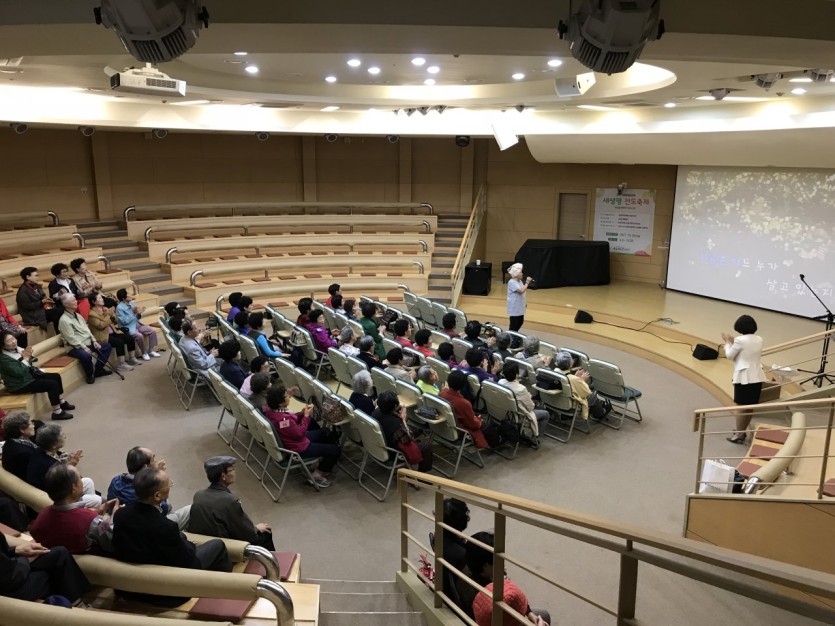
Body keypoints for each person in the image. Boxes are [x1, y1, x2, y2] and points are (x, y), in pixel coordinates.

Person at [112, 467, 232, 604]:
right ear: (157, 495)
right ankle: (226, 590)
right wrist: (188, 545)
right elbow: (190, 562)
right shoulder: (165, 527)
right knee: (218, 545)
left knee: (183, 537)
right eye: (168, 485)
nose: (170, 486)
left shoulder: (120, 515)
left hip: (128, 587)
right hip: (165, 592)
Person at [188, 456, 274, 550]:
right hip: (225, 546)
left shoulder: (198, 495)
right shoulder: (230, 501)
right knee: (265, 533)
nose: (234, 472)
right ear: (223, 476)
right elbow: (246, 532)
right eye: (231, 470)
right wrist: (256, 529)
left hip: (202, 543)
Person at [465, 531, 551, 626]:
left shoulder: (472, 577)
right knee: (544, 615)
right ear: (486, 566)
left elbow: (517, 602)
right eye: (499, 559)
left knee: (543, 614)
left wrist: (530, 614)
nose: (503, 562)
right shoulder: (492, 594)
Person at [262, 385, 340, 488]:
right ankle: (317, 475)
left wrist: (302, 413)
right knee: (334, 450)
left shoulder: (270, 410)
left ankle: (326, 459)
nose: (289, 397)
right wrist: (306, 416)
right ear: (280, 403)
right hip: (298, 448)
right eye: (286, 396)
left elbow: (290, 421)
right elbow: (299, 434)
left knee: (325, 432)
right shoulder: (283, 420)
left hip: (291, 441)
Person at [30, 463, 117, 554]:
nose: (82, 481)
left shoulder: (40, 518)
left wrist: (98, 513)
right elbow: (112, 540)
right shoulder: (92, 520)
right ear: (73, 488)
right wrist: (112, 516)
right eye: (80, 478)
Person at [107, 446, 191, 530]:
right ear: (145, 467)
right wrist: (159, 477)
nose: (156, 462)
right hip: (151, 527)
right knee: (191, 509)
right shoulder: (145, 488)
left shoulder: (115, 480)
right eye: (153, 459)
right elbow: (164, 508)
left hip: (123, 524)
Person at [0, 531, 91, 604]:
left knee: (60, 553)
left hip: (11, 568)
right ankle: (74, 608)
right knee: (55, 571)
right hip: (10, 589)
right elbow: (14, 578)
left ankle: (76, 600)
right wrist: (25, 559)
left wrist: (16, 550)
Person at [0, 331, 75, 419]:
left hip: (28, 377)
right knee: (51, 384)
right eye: (9, 341)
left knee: (56, 376)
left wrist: (28, 357)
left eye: (13, 338)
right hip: (19, 384)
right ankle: (57, 412)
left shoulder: (18, 349)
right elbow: (19, 372)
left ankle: (62, 402)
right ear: (3, 345)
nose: (13, 342)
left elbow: (31, 360)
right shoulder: (3, 359)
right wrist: (26, 359)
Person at [25, 423, 101, 508]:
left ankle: (87, 509)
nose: (64, 437)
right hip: (57, 498)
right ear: (53, 445)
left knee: (88, 481)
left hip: (58, 488)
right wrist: (71, 465)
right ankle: (84, 511)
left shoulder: (42, 450)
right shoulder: (48, 465)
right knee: (96, 500)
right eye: (62, 435)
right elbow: (64, 482)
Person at [723, 314, 765, 444]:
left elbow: (730, 356)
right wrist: (733, 342)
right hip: (757, 375)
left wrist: (727, 343)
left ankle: (739, 434)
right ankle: (741, 430)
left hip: (744, 376)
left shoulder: (739, 340)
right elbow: (746, 349)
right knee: (750, 406)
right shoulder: (759, 339)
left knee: (741, 406)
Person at [57, 293, 112, 385]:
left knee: (106, 346)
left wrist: (94, 340)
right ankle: (90, 375)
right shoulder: (64, 320)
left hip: (87, 342)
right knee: (86, 355)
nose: (76, 302)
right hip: (74, 347)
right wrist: (83, 347)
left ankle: (98, 370)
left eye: (75, 299)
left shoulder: (78, 316)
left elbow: (87, 330)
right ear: (66, 304)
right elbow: (71, 338)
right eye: (73, 300)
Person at [371, 390, 433, 472]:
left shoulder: (375, 413)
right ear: (395, 405)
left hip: (380, 445)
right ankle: (421, 475)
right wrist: (403, 419)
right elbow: (409, 438)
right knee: (427, 447)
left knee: (418, 433)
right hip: (393, 451)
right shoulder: (396, 424)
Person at [87, 292, 141, 371]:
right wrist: (109, 315)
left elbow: (115, 322)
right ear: (94, 301)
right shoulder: (91, 314)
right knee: (119, 342)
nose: (102, 299)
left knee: (129, 338)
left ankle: (132, 358)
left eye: (101, 297)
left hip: (113, 332)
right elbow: (100, 325)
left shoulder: (105, 309)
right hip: (102, 336)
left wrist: (113, 315)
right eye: (100, 298)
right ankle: (121, 364)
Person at [499, 361, 548, 441]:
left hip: (505, 412)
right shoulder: (521, 389)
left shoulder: (500, 382)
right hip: (520, 416)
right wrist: (529, 397)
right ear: (517, 374)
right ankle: (536, 438)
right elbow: (531, 407)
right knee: (546, 414)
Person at [553, 351, 608, 421]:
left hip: (557, 401)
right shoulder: (573, 379)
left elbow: (568, 384)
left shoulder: (555, 371)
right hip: (571, 405)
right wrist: (581, 380)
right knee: (592, 396)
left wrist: (576, 377)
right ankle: (600, 414)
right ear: (570, 364)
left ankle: (566, 416)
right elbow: (586, 393)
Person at [440, 370, 489, 449]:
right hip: (461, 430)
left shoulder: (442, 393)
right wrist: (479, 420)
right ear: (463, 385)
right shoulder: (464, 403)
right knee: (488, 426)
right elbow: (473, 425)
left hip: (446, 427)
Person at [115, 288, 160, 361]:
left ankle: (151, 350)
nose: (131, 295)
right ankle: (144, 353)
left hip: (137, 324)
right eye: (128, 294)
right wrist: (133, 313)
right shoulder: (119, 308)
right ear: (123, 298)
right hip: (128, 327)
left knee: (152, 331)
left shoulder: (132, 303)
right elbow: (124, 321)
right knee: (139, 336)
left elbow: (137, 317)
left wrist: (139, 313)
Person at [1, 411, 39, 479]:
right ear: (22, 429)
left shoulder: (11, 442)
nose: (34, 426)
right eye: (31, 423)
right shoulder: (23, 453)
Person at [48, 262, 86, 327]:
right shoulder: (53, 284)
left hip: (75, 300)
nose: (66, 273)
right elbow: (52, 298)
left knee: (85, 301)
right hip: (64, 304)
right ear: (57, 274)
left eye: (66, 271)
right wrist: (59, 294)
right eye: (64, 272)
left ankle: (83, 322)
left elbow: (76, 293)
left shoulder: (71, 280)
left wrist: (82, 289)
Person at [506, 262, 533, 333]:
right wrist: (527, 283)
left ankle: (515, 336)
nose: (522, 274)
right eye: (521, 272)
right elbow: (521, 290)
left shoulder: (520, 281)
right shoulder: (512, 282)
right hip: (514, 308)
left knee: (520, 322)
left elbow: (522, 293)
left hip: (520, 307)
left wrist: (524, 303)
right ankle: (511, 337)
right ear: (516, 274)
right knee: (514, 325)